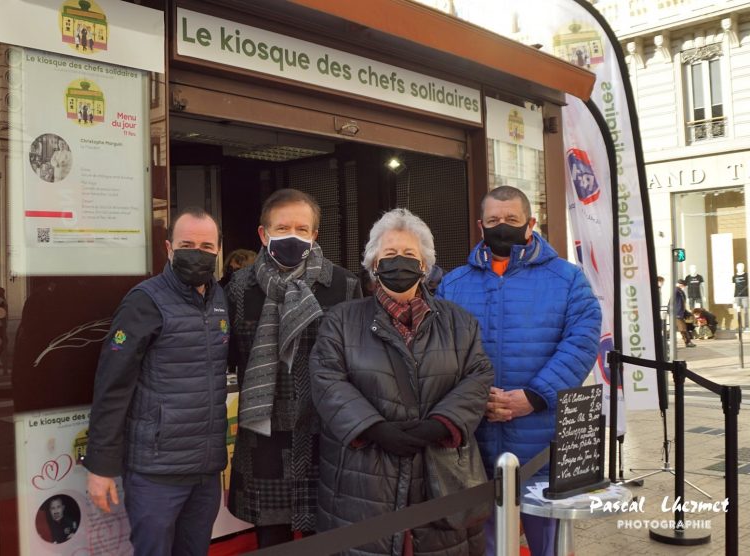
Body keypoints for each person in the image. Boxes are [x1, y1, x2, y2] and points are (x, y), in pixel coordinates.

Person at [309, 208, 493, 555]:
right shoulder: (342, 320)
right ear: (373, 263)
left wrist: (440, 425)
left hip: (439, 472)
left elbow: (478, 375)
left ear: (425, 265)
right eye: (389, 254)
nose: (399, 262)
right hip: (363, 479)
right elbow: (327, 378)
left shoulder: (460, 322)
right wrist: (374, 428)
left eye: (410, 254)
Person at [437, 186, 601, 556]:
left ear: (531, 224)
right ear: (481, 226)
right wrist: (473, 399)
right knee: (487, 543)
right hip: (476, 442)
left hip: (542, 439)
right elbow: (441, 352)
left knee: (550, 543)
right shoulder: (454, 283)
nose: (502, 227)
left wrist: (534, 396)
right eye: (494, 220)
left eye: (511, 219)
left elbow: (581, 342)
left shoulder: (567, 279)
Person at [84, 207, 229, 556]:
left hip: (206, 470)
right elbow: (112, 387)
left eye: (207, 246)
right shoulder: (144, 302)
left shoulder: (219, 299)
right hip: (156, 474)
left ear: (218, 251)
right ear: (168, 248)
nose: (198, 253)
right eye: (187, 244)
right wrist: (101, 467)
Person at [226, 189, 362, 547]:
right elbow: (224, 355)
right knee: (271, 539)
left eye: (303, 229)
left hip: (326, 433)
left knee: (328, 537)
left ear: (315, 234)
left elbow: (361, 361)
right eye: (282, 228)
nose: (293, 236)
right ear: (263, 234)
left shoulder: (344, 285)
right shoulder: (240, 288)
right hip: (264, 436)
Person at [673, 279, 696, 348]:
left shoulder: (679, 291)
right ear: (681, 285)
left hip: (679, 313)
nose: (685, 287)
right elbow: (673, 303)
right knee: (683, 328)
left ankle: (687, 342)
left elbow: (681, 304)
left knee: (682, 328)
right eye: (684, 286)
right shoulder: (676, 291)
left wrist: (685, 312)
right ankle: (688, 342)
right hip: (677, 313)